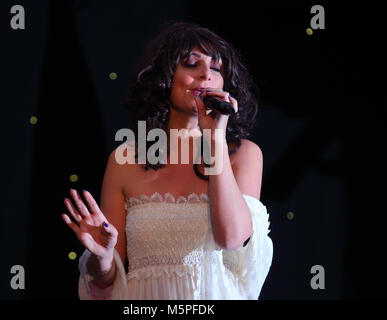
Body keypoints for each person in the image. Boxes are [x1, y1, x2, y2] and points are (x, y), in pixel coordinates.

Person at [61, 21, 273, 300]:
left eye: (216, 68)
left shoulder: (243, 154)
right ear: (164, 77)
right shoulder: (125, 160)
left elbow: (232, 238)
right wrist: (101, 258)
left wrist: (216, 137)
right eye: (191, 64)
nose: (206, 75)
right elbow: (109, 275)